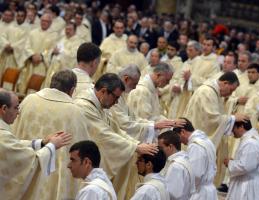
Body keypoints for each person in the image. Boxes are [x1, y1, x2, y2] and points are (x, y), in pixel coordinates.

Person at [74, 73, 158, 200]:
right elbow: (104, 135)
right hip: (82, 161)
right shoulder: (85, 107)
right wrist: (135, 147)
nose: (117, 102)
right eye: (116, 98)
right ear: (103, 92)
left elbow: (116, 130)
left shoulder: (100, 105)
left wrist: (137, 144)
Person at [13, 69, 89, 200]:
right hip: (54, 178)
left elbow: (15, 132)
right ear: (72, 90)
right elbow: (82, 148)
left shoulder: (29, 100)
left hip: (26, 168)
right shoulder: (75, 112)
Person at [0, 88, 72, 200]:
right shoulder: (3, 136)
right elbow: (32, 161)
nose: (18, 112)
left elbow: (15, 145)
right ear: (4, 109)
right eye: (15, 108)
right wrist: (52, 145)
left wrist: (42, 143)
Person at [110, 64, 183, 143]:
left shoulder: (152, 89)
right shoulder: (141, 91)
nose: (168, 83)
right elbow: (127, 123)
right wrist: (155, 125)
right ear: (158, 75)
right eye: (167, 80)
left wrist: (169, 122)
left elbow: (136, 118)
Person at [173, 118, 217, 200]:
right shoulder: (206, 140)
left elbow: (196, 174)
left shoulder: (195, 145)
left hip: (199, 193)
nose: (181, 142)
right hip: (209, 190)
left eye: (179, 137)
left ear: (182, 132)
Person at [224, 120, 259, 200]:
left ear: (241, 127)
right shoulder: (249, 138)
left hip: (247, 185)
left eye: (233, 128)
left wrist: (230, 163)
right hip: (245, 180)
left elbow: (245, 166)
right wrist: (234, 161)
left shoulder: (251, 142)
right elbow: (247, 161)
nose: (232, 132)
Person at [18, 13, 59, 93]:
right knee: (26, 86)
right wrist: (32, 55)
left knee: (38, 88)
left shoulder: (54, 35)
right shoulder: (32, 32)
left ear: (50, 23)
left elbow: (52, 50)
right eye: (42, 20)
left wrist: (42, 55)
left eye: (46, 21)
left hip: (43, 65)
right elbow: (27, 46)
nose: (44, 22)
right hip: (30, 64)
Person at [168, 40, 202, 119]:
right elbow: (175, 78)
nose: (188, 52)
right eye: (187, 49)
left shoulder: (201, 63)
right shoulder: (185, 63)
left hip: (188, 97)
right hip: (178, 96)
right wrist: (174, 86)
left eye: (191, 50)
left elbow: (201, 80)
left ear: (197, 51)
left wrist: (185, 84)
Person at [158, 130, 195, 200]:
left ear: (170, 147)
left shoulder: (176, 166)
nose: (159, 151)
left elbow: (172, 194)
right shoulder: (184, 159)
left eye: (161, 148)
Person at [44, 22, 84, 87]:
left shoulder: (78, 41)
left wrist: (60, 52)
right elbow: (54, 50)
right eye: (66, 29)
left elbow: (73, 55)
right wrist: (53, 52)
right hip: (54, 68)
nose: (67, 31)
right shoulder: (62, 38)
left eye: (70, 29)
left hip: (64, 70)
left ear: (75, 30)